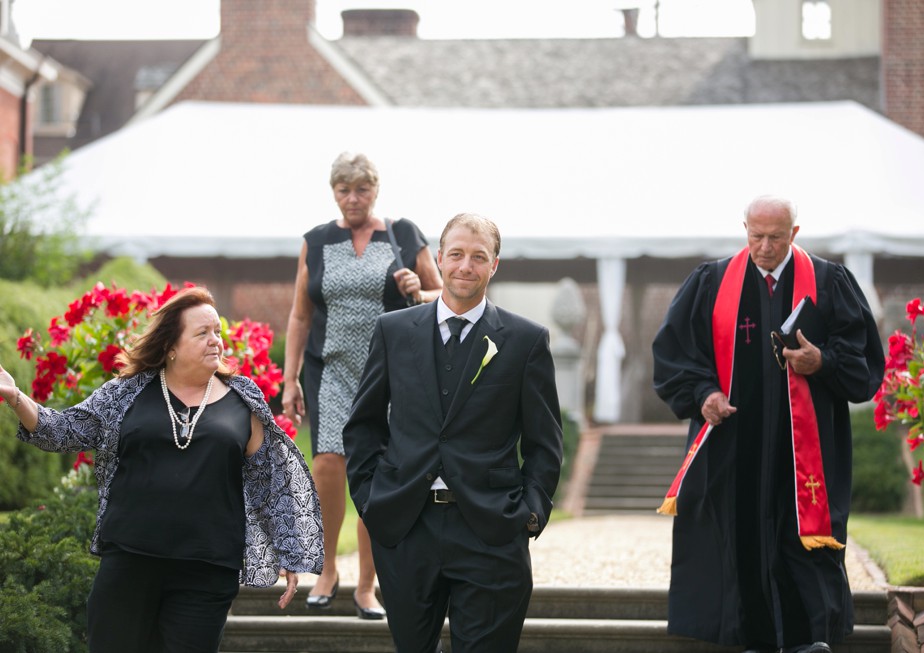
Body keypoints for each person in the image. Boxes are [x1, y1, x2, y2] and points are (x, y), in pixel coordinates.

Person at [0, 286, 324, 653]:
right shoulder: (127, 392)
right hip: (130, 563)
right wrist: (15, 397)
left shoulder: (241, 397)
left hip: (207, 570)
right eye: (202, 333)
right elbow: (65, 430)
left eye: (217, 332)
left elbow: (271, 477)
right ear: (171, 345)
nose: (215, 341)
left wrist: (288, 549)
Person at [652, 195, 885, 653]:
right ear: (744, 229)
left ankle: (810, 638)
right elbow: (675, 357)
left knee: (803, 537)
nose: (764, 247)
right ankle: (746, 637)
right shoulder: (712, 281)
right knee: (737, 536)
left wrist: (824, 361)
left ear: (794, 233)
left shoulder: (829, 281)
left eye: (775, 237)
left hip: (806, 448)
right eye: (755, 236)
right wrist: (705, 395)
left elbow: (863, 365)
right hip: (733, 445)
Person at [343, 212, 564, 653]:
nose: (466, 266)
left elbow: (544, 442)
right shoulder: (392, 331)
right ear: (439, 258)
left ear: (494, 265)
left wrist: (531, 512)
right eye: (457, 254)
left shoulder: (525, 341)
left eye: (478, 257)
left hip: (491, 529)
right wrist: (369, 499)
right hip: (407, 524)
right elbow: (364, 424)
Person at [281, 151, 443, 618]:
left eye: (362, 190)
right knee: (329, 463)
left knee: (378, 473)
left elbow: (442, 295)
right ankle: (328, 569)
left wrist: (420, 286)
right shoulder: (316, 240)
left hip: (390, 373)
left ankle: (367, 585)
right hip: (330, 369)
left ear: (376, 190)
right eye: (343, 190)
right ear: (333, 192)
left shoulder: (403, 234)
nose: (353, 199)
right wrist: (290, 378)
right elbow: (299, 314)